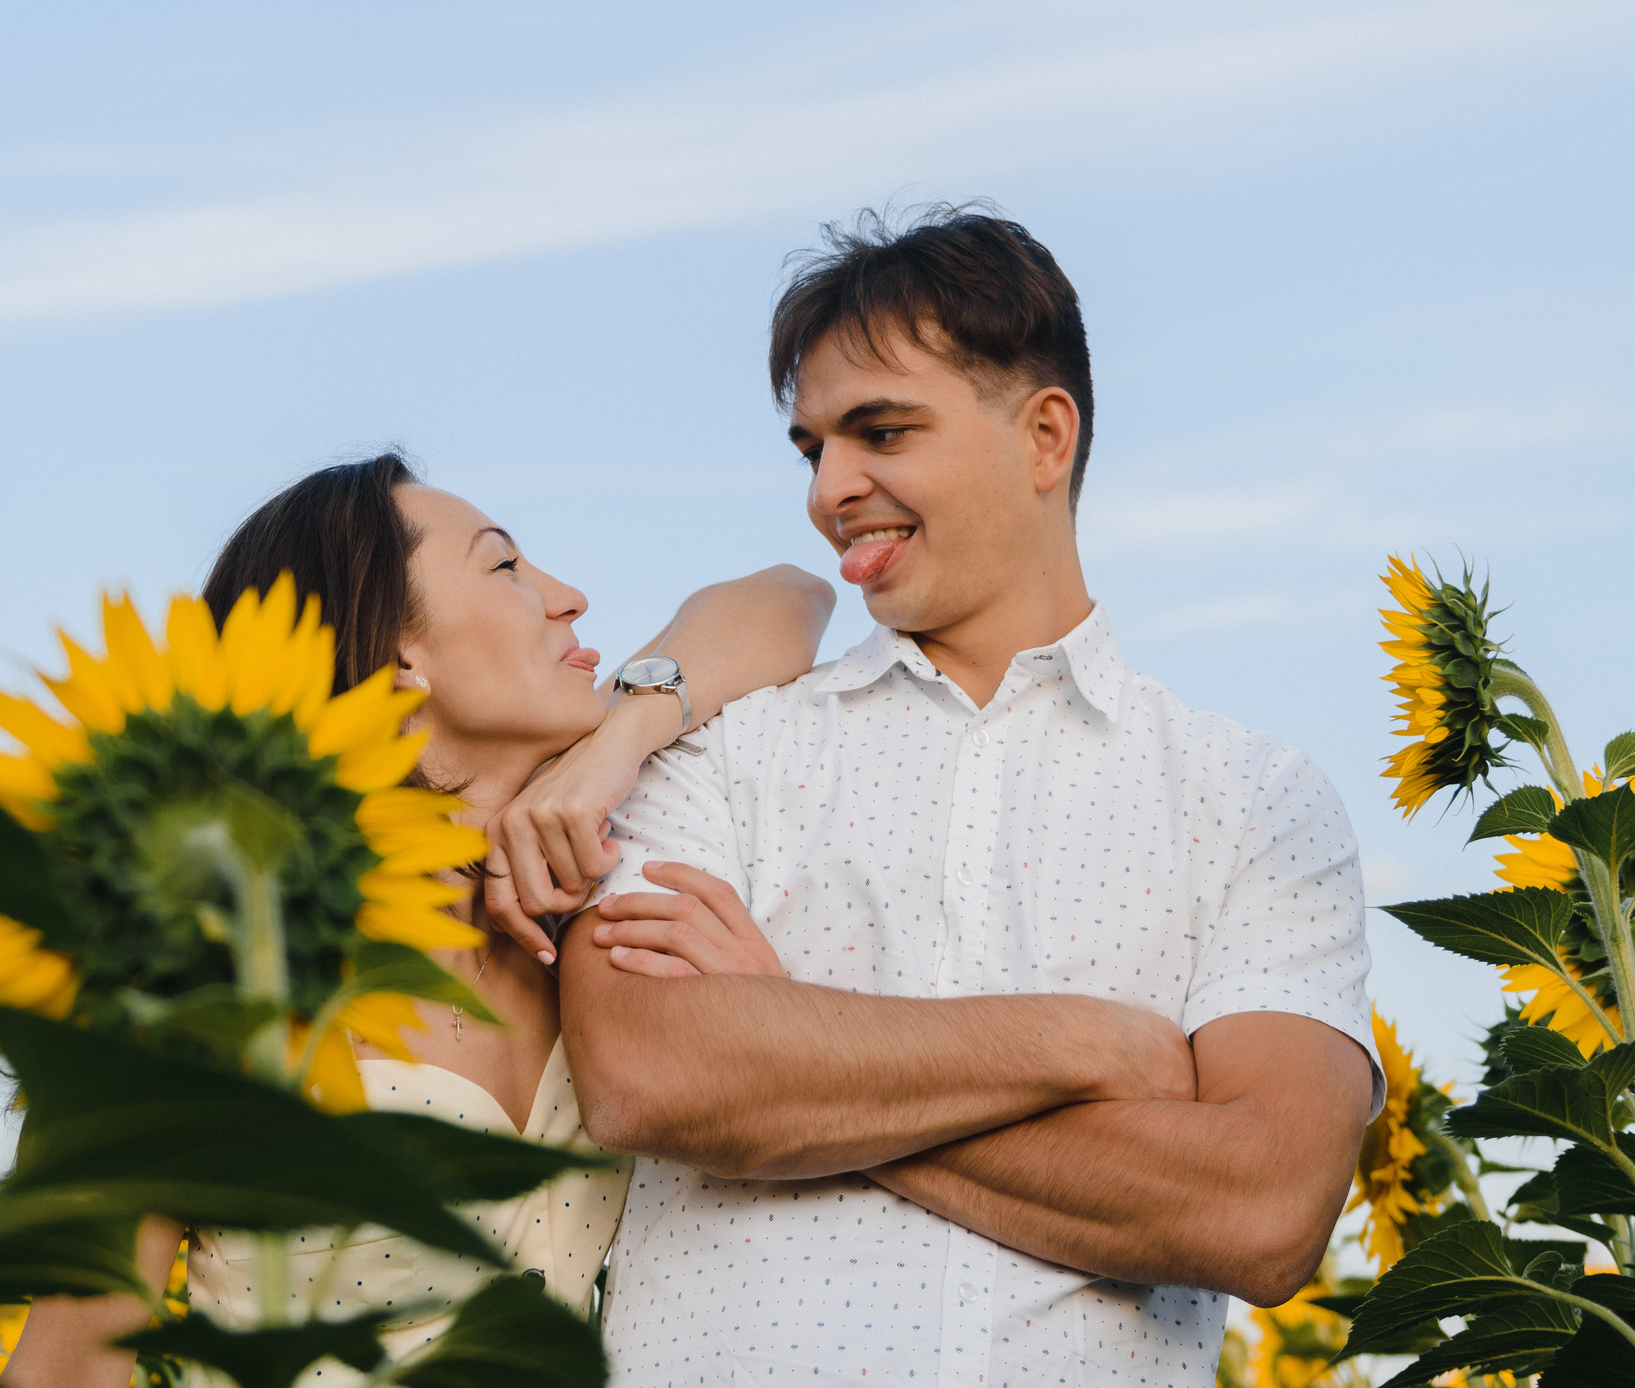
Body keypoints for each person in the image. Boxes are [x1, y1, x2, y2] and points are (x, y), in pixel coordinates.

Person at [560, 208, 1381, 1385]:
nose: (829, 489)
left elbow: (1259, 1210)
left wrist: (788, 1060)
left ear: (1045, 436)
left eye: (881, 430)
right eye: (810, 448)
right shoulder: (715, 746)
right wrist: (1083, 1043)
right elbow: (649, 1072)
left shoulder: (1254, 798)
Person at [0, 452, 835, 1388]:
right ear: (399, 657)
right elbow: (62, 1370)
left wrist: (627, 735)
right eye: (505, 565)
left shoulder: (576, 920)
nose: (569, 596)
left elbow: (792, 594)